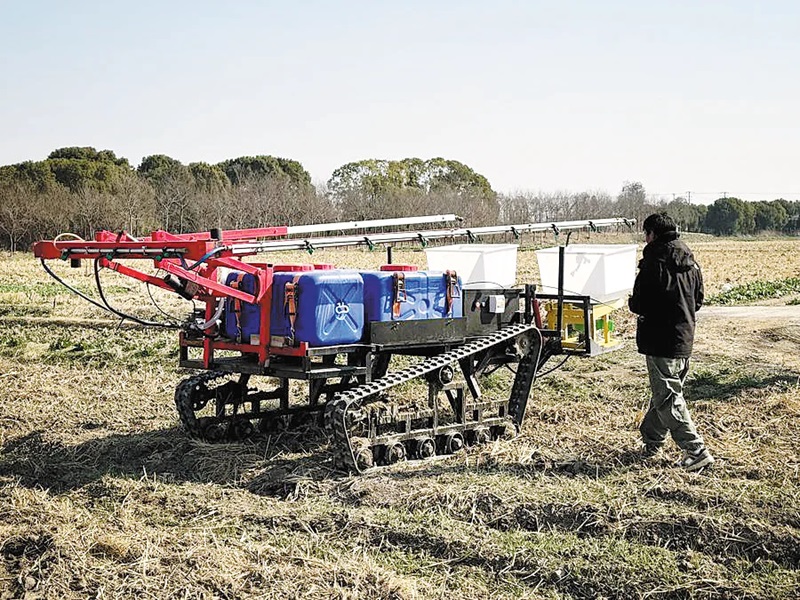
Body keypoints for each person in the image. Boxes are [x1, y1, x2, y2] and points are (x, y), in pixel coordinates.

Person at [628, 212, 714, 471]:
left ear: (652, 234)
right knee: (667, 394)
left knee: (667, 398)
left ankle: (695, 450)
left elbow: (640, 303)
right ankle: (652, 440)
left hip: (660, 340)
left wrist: (632, 302)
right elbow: (698, 300)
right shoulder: (691, 260)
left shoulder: (654, 261)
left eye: (646, 233)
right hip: (684, 338)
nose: (645, 238)